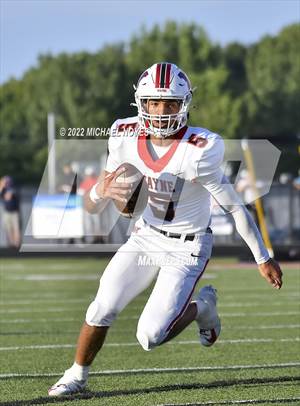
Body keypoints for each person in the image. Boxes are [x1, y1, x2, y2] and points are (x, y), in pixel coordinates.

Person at [48, 62, 283, 396]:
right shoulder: (123, 135)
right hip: (145, 236)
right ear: (140, 103)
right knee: (101, 306)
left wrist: (263, 257)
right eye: (154, 103)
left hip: (187, 247)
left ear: (184, 104)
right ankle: (77, 375)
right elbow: (92, 203)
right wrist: (103, 192)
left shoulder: (199, 149)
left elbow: (233, 206)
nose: (160, 111)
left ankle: (203, 308)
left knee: (149, 336)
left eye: (170, 103)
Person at [0, 176, 21, 248]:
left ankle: (17, 244)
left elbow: (8, 197)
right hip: (7, 212)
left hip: (14, 213)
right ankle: (12, 245)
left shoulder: (13, 189)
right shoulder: (3, 190)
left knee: (16, 229)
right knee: (8, 229)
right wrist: (1, 185)